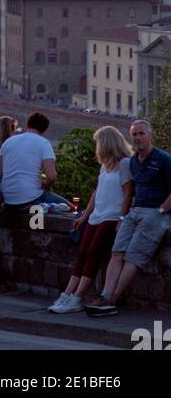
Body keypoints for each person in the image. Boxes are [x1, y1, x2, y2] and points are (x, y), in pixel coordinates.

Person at [86, 119, 171, 316]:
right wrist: (124, 215)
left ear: (150, 135)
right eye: (134, 134)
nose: (138, 138)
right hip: (134, 211)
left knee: (133, 257)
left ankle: (112, 300)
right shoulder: (133, 161)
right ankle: (105, 295)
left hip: (154, 213)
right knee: (117, 252)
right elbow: (130, 191)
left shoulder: (163, 159)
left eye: (141, 134)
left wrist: (161, 210)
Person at [49, 126, 133, 314]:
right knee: (83, 252)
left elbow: (128, 193)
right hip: (97, 216)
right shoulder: (105, 166)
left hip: (111, 216)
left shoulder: (125, 164)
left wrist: (121, 217)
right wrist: (85, 216)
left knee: (94, 253)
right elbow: (97, 191)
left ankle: (78, 297)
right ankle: (68, 294)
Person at [0, 111, 71, 210]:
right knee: (72, 208)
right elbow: (51, 176)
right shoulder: (43, 143)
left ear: (27, 125)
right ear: (44, 131)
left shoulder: (8, 142)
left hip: (8, 199)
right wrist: (45, 185)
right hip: (31, 198)